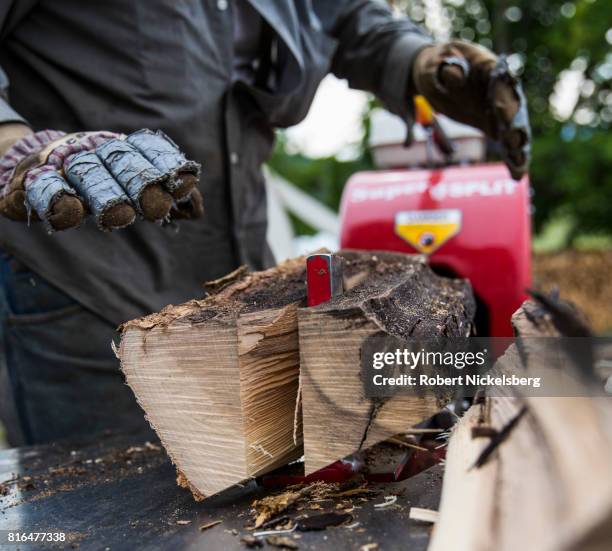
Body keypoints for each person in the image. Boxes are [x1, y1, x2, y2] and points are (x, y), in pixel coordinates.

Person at [0, 0, 529, 446]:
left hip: (238, 281)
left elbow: (343, 15)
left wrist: (416, 59)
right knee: (104, 515)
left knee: (238, 509)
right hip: (85, 290)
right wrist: (9, 144)